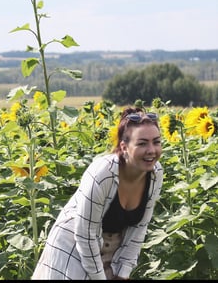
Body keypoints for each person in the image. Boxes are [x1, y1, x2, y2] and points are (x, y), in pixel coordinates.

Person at [32, 107, 163, 280]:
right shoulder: (103, 173)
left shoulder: (155, 174)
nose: (151, 150)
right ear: (124, 147)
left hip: (109, 250)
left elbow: (139, 229)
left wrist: (123, 273)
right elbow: (85, 235)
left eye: (156, 142)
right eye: (142, 143)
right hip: (72, 245)